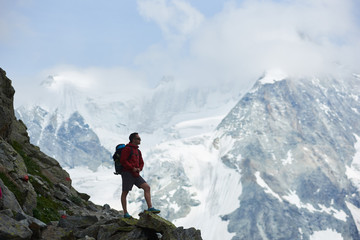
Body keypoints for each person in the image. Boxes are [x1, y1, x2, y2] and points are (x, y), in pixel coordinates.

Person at [120, 132, 160, 218]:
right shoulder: (127, 149)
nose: (140, 140)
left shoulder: (138, 151)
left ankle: (150, 207)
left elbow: (141, 162)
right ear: (133, 139)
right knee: (125, 192)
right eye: (138, 138)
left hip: (135, 174)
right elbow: (123, 161)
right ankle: (125, 213)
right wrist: (132, 168)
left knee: (147, 187)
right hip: (127, 173)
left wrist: (139, 168)